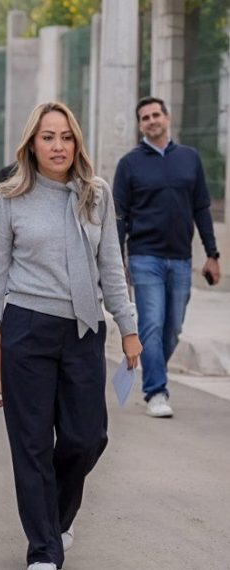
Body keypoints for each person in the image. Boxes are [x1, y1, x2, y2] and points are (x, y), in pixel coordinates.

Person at [0, 102, 141, 570]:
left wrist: (128, 328)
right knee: (32, 443)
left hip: (84, 331)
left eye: (66, 137)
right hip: (27, 329)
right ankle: (44, 547)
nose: (58, 145)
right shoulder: (11, 196)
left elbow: (110, 266)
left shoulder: (97, 194)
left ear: (76, 142)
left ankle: (57, 519)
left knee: (88, 438)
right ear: (32, 143)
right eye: (48, 137)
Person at [113, 96, 221, 418]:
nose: (151, 120)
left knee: (172, 328)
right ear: (140, 125)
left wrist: (213, 254)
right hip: (145, 257)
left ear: (167, 118)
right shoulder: (130, 164)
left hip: (181, 258)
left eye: (156, 114)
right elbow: (119, 217)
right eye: (144, 117)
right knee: (151, 324)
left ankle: (149, 366)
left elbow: (202, 208)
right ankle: (156, 391)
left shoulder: (190, 158)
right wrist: (117, 263)